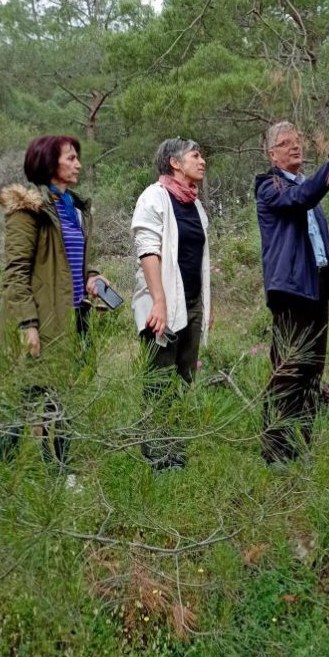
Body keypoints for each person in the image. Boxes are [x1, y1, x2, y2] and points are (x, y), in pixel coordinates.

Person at [0, 134, 108, 478]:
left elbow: (71, 260)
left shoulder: (73, 206)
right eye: (70, 158)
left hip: (73, 317)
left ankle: (60, 471)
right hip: (40, 320)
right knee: (22, 399)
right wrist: (27, 324)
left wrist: (91, 276)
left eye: (77, 158)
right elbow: (16, 273)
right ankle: (1, 474)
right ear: (49, 163)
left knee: (63, 399)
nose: (78, 164)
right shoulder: (28, 210)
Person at [255, 121, 329, 464]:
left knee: (311, 370)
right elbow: (300, 199)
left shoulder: (307, 189)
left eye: (297, 141)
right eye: (285, 143)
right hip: (289, 289)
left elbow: (320, 243)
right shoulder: (270, 187)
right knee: (288, 369)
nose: (295, 147)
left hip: (314, 288)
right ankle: (274, 451)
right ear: (272, 154)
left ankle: (301, 443)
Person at [131, 138, 211, 470]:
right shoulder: (155, 197)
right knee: (159, 380)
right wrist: (159, 302)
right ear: (174, 163)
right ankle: (157, 455)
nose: (202, 160)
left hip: (190, 303)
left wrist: (205, 306)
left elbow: (200, 259)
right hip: (161, 305)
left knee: (183, 378)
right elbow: (148, 250)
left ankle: (173, 446)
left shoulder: (196, 205)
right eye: (195, 155)